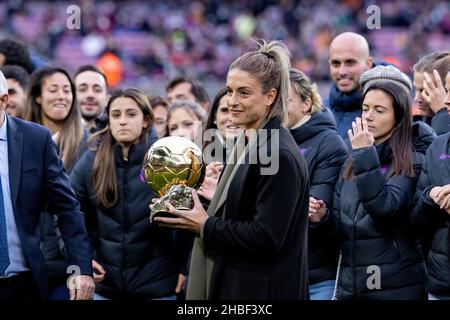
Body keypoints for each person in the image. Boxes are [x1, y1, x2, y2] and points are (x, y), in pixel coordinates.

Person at [154, 40, 310, 300]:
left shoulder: (277, 153)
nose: (232, 101)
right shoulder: (249, 142)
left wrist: (204, 224)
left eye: (244, 93)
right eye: (229, 91)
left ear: (270, 96)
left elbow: (267, 238)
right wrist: (220, 199)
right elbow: (251, 212)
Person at [315, 65, 427, 300]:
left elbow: (385, 209)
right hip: (351, 287)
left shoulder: (412, 159)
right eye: (365, 108)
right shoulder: (352, 159)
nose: (368, 116)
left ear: (398, 116)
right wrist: (322, 219)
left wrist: (365, 154)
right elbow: (341, 230)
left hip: (395, 288)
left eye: (379, 110)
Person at [70, 88, 190, 299]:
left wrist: (185, 267)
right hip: (105, 287)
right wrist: (80, 260)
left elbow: (187, 222)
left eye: (131, 114)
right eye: (116, 115)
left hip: (158, 286)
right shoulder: (91, 161)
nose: (122, 121)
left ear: (146, 120)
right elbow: (70, 215)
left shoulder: (167, 160)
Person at [0, 70, 94, 300]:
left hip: (24, 283)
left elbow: (66, 207)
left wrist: (80, 268)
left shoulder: (35, 139)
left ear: (3, 101)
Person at [25, 66, 87, 299]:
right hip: (28, 267)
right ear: (38, 96)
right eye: (54, 89)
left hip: (69, 269)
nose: (62, 96)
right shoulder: (18, 142)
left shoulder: (88, 145)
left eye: (67, 90)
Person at [287, 68, 348, 300]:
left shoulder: (329, 144)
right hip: (276, 272)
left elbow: (314, 209)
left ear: (306, 103)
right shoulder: (268, 141)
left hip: (315, 275)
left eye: (287, 100)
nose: (279, 107)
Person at [412, 70, 450, 300]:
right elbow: (416, 219)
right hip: (441, 286)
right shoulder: (438, 145)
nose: (446, 100)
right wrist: (431, 197)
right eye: (447, 90)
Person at [326, 32, 373, 138]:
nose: (342, 72)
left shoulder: (381, 114)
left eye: (350, 63)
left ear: (368, 64)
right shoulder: (318, 111)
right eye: (336, 64)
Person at [412, 51, 450, 135]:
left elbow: (443, 147)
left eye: (424, 91)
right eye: (416, 89)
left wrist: (442, 113)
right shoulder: (414, 127)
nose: (416, 98)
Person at [202, 88, 243, 164]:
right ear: (214, 117)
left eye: (238, 110)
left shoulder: (263, 152)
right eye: (225, 110)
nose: (231, 118)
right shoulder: (196, 156)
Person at [74, 65, 109, 133]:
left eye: (97, 90)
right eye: (82, 89)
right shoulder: (54, 138)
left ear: (107, 99)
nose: (90, 95)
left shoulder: (118, 139)